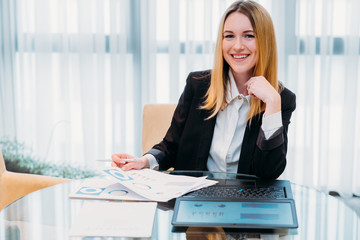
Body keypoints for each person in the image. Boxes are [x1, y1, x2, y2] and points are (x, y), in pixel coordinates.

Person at [112, 0, 296, 180]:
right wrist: (143, 162)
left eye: (249, 35)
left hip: (245, 203)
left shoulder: (281, 99)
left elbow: (269, 172)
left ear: (265, 41)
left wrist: (272, 105)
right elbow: (171, 145)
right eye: (229, 36)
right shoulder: (198, 85)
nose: (237, 46)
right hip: (196, 200)